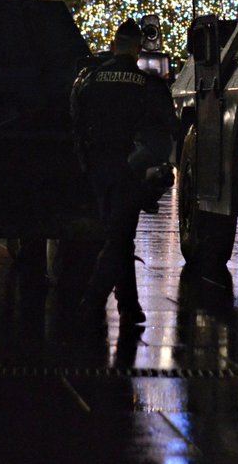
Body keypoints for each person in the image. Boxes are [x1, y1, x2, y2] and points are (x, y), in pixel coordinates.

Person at [71, 19, 177, 327]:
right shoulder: (148, 84)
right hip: (130, 167)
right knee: (119, 237)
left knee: (120, 236)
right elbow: (169, 127)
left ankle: (129, 306)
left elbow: (76, 120)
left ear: (114, 45)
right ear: (138, 50)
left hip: (96, 166)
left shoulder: (89, 79)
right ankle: (91, 304)